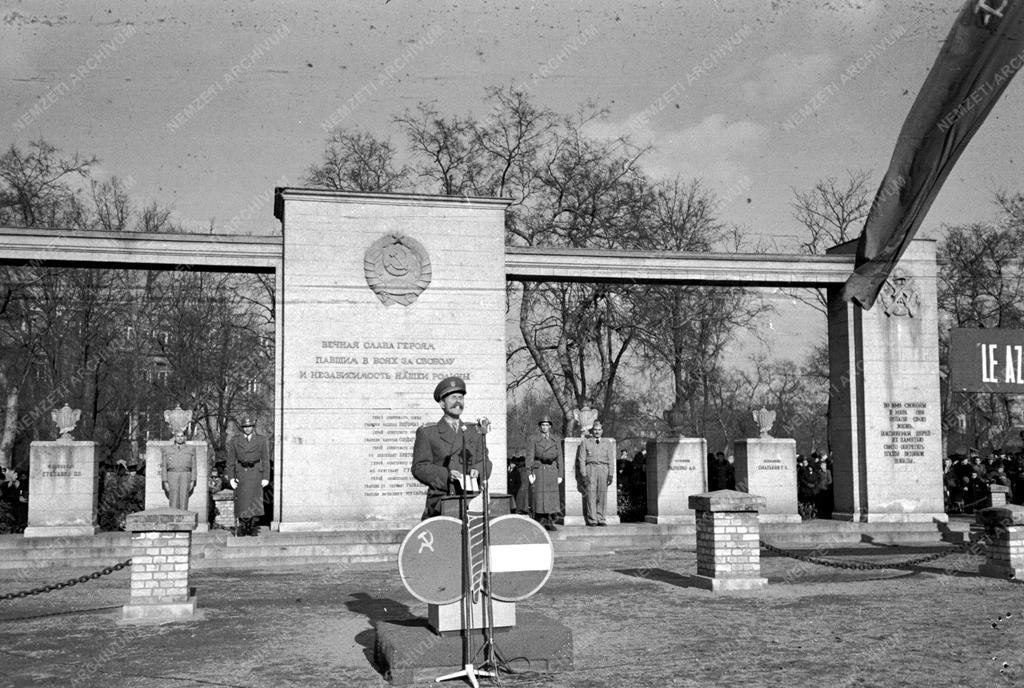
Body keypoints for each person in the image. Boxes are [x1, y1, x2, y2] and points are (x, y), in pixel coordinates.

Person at [411, 376, 492, 520]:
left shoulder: (475, 431)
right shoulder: (428, 432)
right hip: (442, 501)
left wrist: (478, 470)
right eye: (453, 397)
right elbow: (419, 467)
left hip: (471, 500)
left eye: (461, 397)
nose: (458, 402)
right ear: (442, 403)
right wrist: (446, 475)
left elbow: (485, 461)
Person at [226, 416, 270, 536]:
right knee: (242, 501)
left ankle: (252, 526)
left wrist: (266, 477)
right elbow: (230, 461)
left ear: (253, 427)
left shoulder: (261, 440)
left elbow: (265, 460)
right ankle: (243, 526)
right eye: (245, 427)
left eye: (249, 426)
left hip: (256, 472)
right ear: (242, 428)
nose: (247, 429)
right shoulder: (235, 440)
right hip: (241, 472)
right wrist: (230, 478)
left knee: (254, 501)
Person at [575, 420, 615, 527]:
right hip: (590, 468)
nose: (597, 432)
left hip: (603, 468)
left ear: (602, 431)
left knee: (602, 494)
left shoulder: (607, 443)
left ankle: (601, 518)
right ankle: (592, 519)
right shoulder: (586, 442)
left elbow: (611, 460)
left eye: (599, 430)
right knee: (591, 494)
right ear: (592, 431)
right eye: (595, 430)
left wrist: (611, 474)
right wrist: (583, 475)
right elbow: (581, 460)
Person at [526, 415, 563, 531]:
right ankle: (539, 521)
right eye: (543, 425)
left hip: (552, 470)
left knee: (551, 497)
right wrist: (529, 472)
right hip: (540, 469)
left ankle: (549, 521)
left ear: (550, 426)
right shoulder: (533, 439)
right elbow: (529, 456)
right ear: (540, 426)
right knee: (540, 496)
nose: (545, 427)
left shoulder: (556, 439)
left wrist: (560, 474)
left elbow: (560, 458)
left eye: (547, 425)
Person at [161, 430, 196, 510]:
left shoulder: (190, 449)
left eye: (181, 436)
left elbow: (194, 466)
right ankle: (174, 518)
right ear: (174, 437)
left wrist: (193, 480)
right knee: (173, 497)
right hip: (172, 474)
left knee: (184, 497)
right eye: (178, 436)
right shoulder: (167, 449)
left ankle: (183, 518)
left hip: (186, 474)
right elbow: (164, 466)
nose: (180, 438)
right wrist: (165, 481)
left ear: (184, 438)